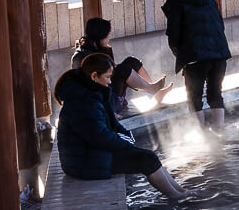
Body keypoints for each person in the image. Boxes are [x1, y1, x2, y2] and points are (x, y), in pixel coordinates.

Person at [55, 53, 188, 201]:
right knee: (146, 159)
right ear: (94, 76)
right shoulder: (83, 102)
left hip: (93, 154)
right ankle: (178, 197)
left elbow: (114, 125)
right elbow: (100, 137)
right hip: (83, 163)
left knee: (148, 155)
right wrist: (127, 144)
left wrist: (128, 140)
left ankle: (181, 191)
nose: (110, 82)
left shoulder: (95, 93)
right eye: (107, 77)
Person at [163, 0, 232, 134]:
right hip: (219, 54)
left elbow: (173, 36)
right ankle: (219, 132)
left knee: (194, 97)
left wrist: (182, 59)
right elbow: (220, 26)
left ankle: (202, 137)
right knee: (215, 93)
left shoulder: (176, 2)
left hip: (195, 56)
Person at [75, 17, 172, 115]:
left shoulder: (104, 49)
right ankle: (152, 90)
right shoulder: (80, 56)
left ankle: (155, 93)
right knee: (123, 69)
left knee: (132, 61)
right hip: (105, 102)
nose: (109, 38)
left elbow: (111, 72)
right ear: (100, 35)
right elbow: (84, 87)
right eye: (107, 35)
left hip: (111, 93)